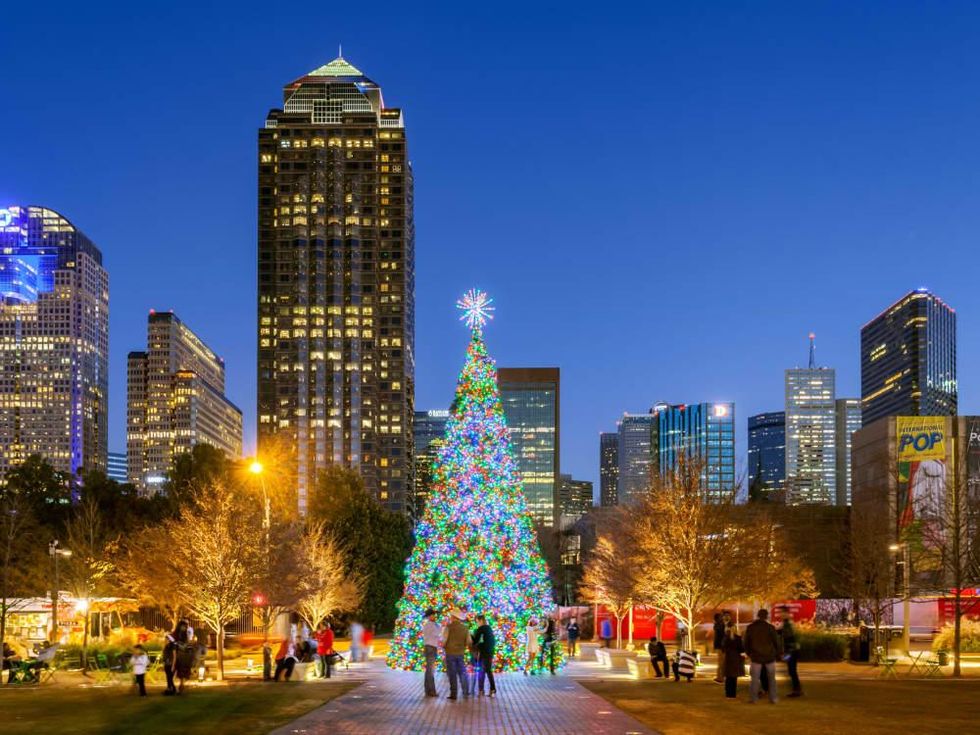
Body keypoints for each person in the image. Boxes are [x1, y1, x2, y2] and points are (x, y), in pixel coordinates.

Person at [744, 609, 781, 704]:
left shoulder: (751, 628)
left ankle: (753, 698)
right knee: (772, 679)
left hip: (756, 656)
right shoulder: (770, 628)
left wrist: (749, 653)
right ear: (766, 616)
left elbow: (746, 642)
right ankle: (773, 698)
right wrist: (778, 653)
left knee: (754, 679)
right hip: (769, 656)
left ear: (758, 615)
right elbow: (776, 642)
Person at [442, 609, 470, 699]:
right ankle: (465, 691)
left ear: (453, 617)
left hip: (450, 653)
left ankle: (453, 694)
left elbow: (444, 640)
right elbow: (469, 641)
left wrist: (444, 646)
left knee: (452, 674)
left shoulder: (448, 627)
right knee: (462, 672)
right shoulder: (465, 628)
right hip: (460, 653)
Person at [471, 614, 497, 697]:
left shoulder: (481, 629)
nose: (477, 623)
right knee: (488, 670)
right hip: (490, 651)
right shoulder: (489, 628)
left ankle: (481, 690)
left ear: (481, 620)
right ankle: (492, 689)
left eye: (477, 621)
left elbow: (475, 641)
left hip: (483, 652)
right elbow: (492, 641)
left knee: (481, 671)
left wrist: (470, 635)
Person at [779, 607, 802, 697]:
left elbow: (789, 638)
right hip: (792, 651)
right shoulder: (788, 623)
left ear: (786, 613)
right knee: (791, 670)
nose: (780, 615)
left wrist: (785, 654)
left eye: (782, 613)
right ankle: (797, 689)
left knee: (791, 670)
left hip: (791, 651)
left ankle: (796, 690)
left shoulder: (787, 624)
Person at [421, 608, 442, 697]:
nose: (435, 616)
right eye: (433, 615)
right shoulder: (430, 625)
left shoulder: (430, 625)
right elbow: (438, 633)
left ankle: (428, 690)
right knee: (430, 671)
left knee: (429, 671)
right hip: (431, 648)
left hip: (430, 648)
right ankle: (431, 691)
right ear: (429, 616)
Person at [721, 622, 745, 700]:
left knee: (728, 677)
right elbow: (741, 649)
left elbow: (723, 648)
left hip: (728, 658)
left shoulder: (725, 638)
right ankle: (733, 695)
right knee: (734, 678)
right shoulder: (738, 638)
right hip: (736, 658)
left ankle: (728, 694)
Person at [712, 613, 726, 683]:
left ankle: (720, 677)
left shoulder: (718, 625)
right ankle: (720, 677)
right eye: (721, 617)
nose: (722, 618)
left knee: (721, 662)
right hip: (721, 646)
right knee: (721, 662)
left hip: (720, 646)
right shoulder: (720, 625)